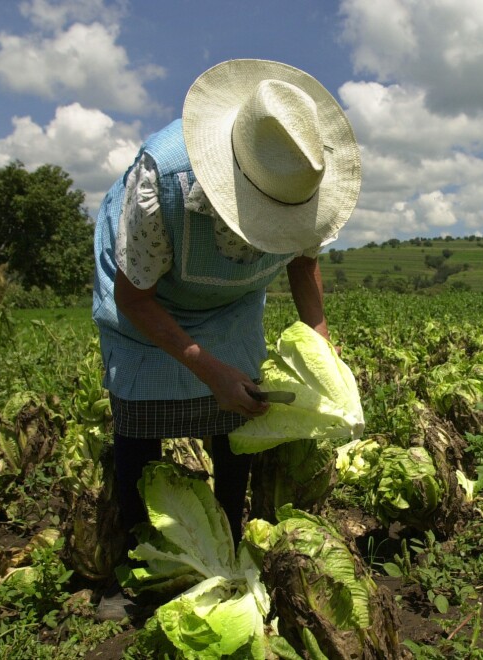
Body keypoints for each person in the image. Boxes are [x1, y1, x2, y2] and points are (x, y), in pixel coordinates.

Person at [92, 59, 361, 558]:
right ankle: (134, 553)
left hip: (230, 303)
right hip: (146, 293)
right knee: (139, 418)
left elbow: (303, 264)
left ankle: (230, 536)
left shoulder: (302, 177)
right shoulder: (162, 180)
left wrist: (319, 343)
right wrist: (206, 367)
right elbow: (135, 299)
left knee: (239, 411)